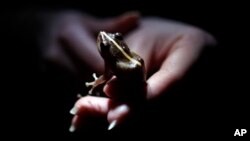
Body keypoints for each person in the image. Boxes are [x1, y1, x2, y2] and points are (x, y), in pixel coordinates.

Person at [5, 7, 217, 139]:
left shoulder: (110, 61)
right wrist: (40, 24)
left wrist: (97, 82)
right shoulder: (113, 59)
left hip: (133, 77)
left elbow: (106, 78)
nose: (102, 36)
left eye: (108, 41)